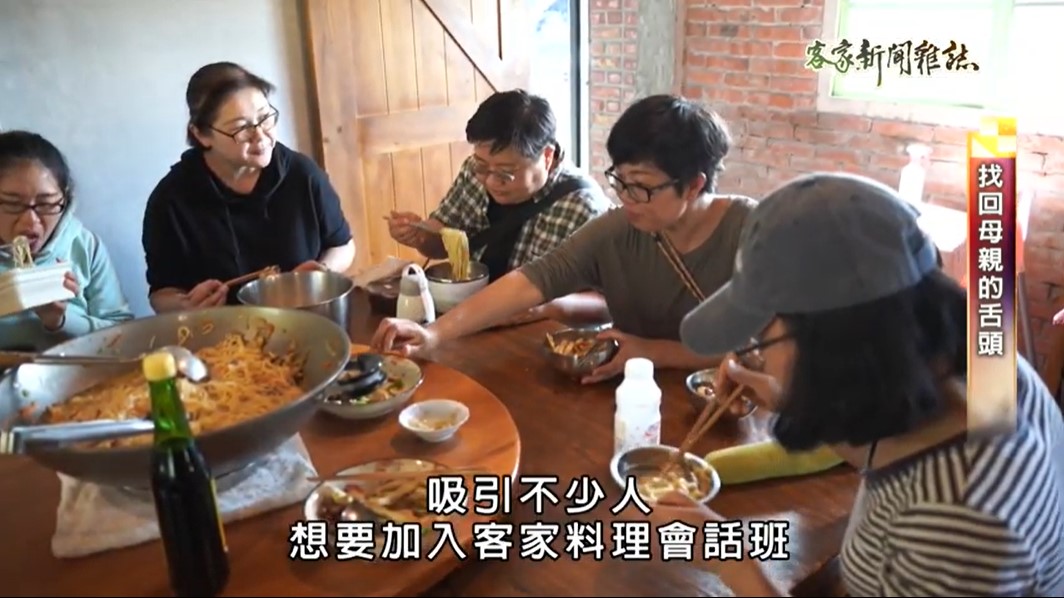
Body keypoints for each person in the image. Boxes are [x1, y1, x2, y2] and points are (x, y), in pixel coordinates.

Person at [649, 172, 1064, 596]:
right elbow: (895, 437)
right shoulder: (987, 365)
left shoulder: (957, 525)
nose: (760, 355)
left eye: (762, 336)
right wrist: (798, 397)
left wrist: (728, 558)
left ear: (831, 349)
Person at [373, 94, 754, 384]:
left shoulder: (752, 232)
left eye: (640, 186)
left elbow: (768, 353)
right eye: (619, 181)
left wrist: (656, 352)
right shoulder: (619, 227)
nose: (624, 198)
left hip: (724, 398)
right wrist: (432, 334)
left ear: (693, 185)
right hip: (628, 388)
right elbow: (532, 280)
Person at [142, 62, 355, 313]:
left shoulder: (302, 174)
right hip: (221, 330)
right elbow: (162, 294)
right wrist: (186, 304)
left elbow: (342, 245)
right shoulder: (170, 201)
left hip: (306, 320)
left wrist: (323, 272)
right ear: (201, 135)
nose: (260, 136)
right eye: (241, 128)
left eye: (265, 118)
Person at [386, 89, 612, 325]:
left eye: (506, 172)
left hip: (542, 333)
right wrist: (421, 236)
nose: (492, 181)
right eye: (482, 166)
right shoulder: (474, 172)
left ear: (547, 156)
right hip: (471, 319)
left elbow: (609, 303)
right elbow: (442, 245)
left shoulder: (584, 207)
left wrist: (545, 307)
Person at [0, 131, 134, 350]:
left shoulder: (84, 246)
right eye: (13, 204)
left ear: (64, 198)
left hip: (77, 369)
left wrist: (60, 320)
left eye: (46, 204)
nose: (30, 221)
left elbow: (123, 334)